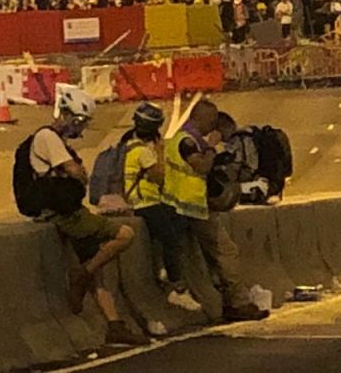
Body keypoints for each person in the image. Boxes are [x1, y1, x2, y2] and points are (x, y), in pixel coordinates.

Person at [30, 87, 147, 346]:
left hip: (69, 211)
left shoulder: (56, 141)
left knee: (98, 272)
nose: (80, 128)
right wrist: (79, 172)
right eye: (79, 121)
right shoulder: (48, 138)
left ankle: (114, 325)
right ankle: (80, 275)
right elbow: (76, 172)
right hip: (66, 215)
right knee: (124, 235)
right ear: (67, 114)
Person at [164, 99, 268, 322]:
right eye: (211, 121)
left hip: (184, 207)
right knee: (226, 252)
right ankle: (238, 303)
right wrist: (211, 146)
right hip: (191, 208)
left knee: (213, 258)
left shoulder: (182, 140)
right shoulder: (187, 142)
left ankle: (226, 300)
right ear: (199, 118)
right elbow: (201, 166)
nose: (213, 126)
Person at [121, 102, 191, 300]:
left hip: (133, 201)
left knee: (174, 221)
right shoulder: (143, 151)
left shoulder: (125, 144)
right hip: (145, 203)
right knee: (171, 238)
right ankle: (177, 284)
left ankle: (161, 266)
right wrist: (160, 150)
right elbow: (159, 176)